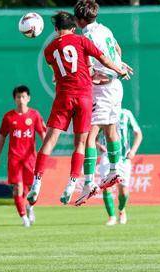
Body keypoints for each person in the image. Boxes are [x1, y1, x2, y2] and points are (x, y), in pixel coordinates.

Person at [26, 11, 131, 206]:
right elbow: (105, 59)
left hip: (63, 98)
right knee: (82, 142)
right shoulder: (82, 41)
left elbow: (57, 73)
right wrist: (120, 70)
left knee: (49, 141)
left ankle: (36, 184)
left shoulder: (49, 50)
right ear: (73, 27)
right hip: (84, 97)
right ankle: (73, 184)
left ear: (56, 29)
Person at [73, 0, 129, 206]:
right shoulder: (105, 29)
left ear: (79, 21)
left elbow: (88, 68)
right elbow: (117, 48)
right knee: (111, 130)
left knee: (89, 135)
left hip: (102, 87)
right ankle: (115, 169)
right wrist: (118, 66)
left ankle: (88, 183)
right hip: (116, 86)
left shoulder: (86, 36)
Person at [0, 85, 46, 227]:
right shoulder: (9, 117)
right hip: (15, 158)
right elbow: (2, 137)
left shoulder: (34, 115)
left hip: (30, 158)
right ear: (14, 99)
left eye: (23, 97)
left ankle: (30, 207)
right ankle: (24, 218)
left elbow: (43, 134)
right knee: (18, 187)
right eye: (18, 97)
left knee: (32, 188)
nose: (21, 100)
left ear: (28, 98)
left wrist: (46, 151)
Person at [97, 108, 143, 225]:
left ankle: (121, 209)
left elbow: (138, 133)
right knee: (106, 185)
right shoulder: (103, 113)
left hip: (123, 158)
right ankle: (111, 217)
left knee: (123, 191)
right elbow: (93, 136)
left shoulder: (126, 114)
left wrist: (133, 151)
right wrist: (98, 145)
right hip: (107, 156)